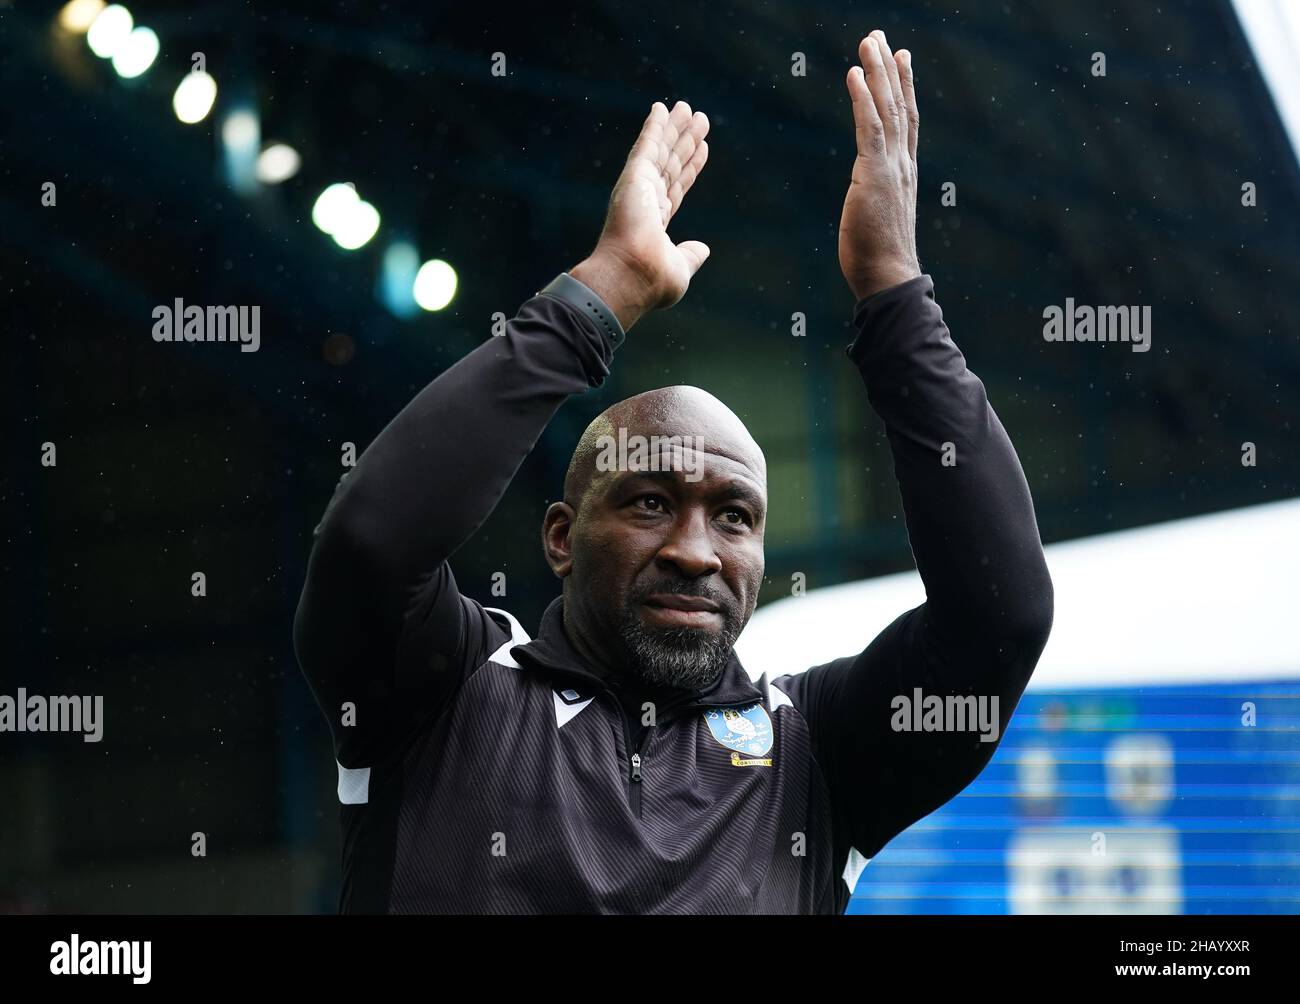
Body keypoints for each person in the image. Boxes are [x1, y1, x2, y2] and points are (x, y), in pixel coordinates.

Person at [293, 29, 1053, 914]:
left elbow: (1002, 615)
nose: (696, 551)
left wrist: (894, 293)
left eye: (735, 516)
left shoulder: (817, 755)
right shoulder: (441, 690)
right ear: (562, 537)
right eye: (652, 502)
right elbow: (371, 543)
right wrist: (601, 293)